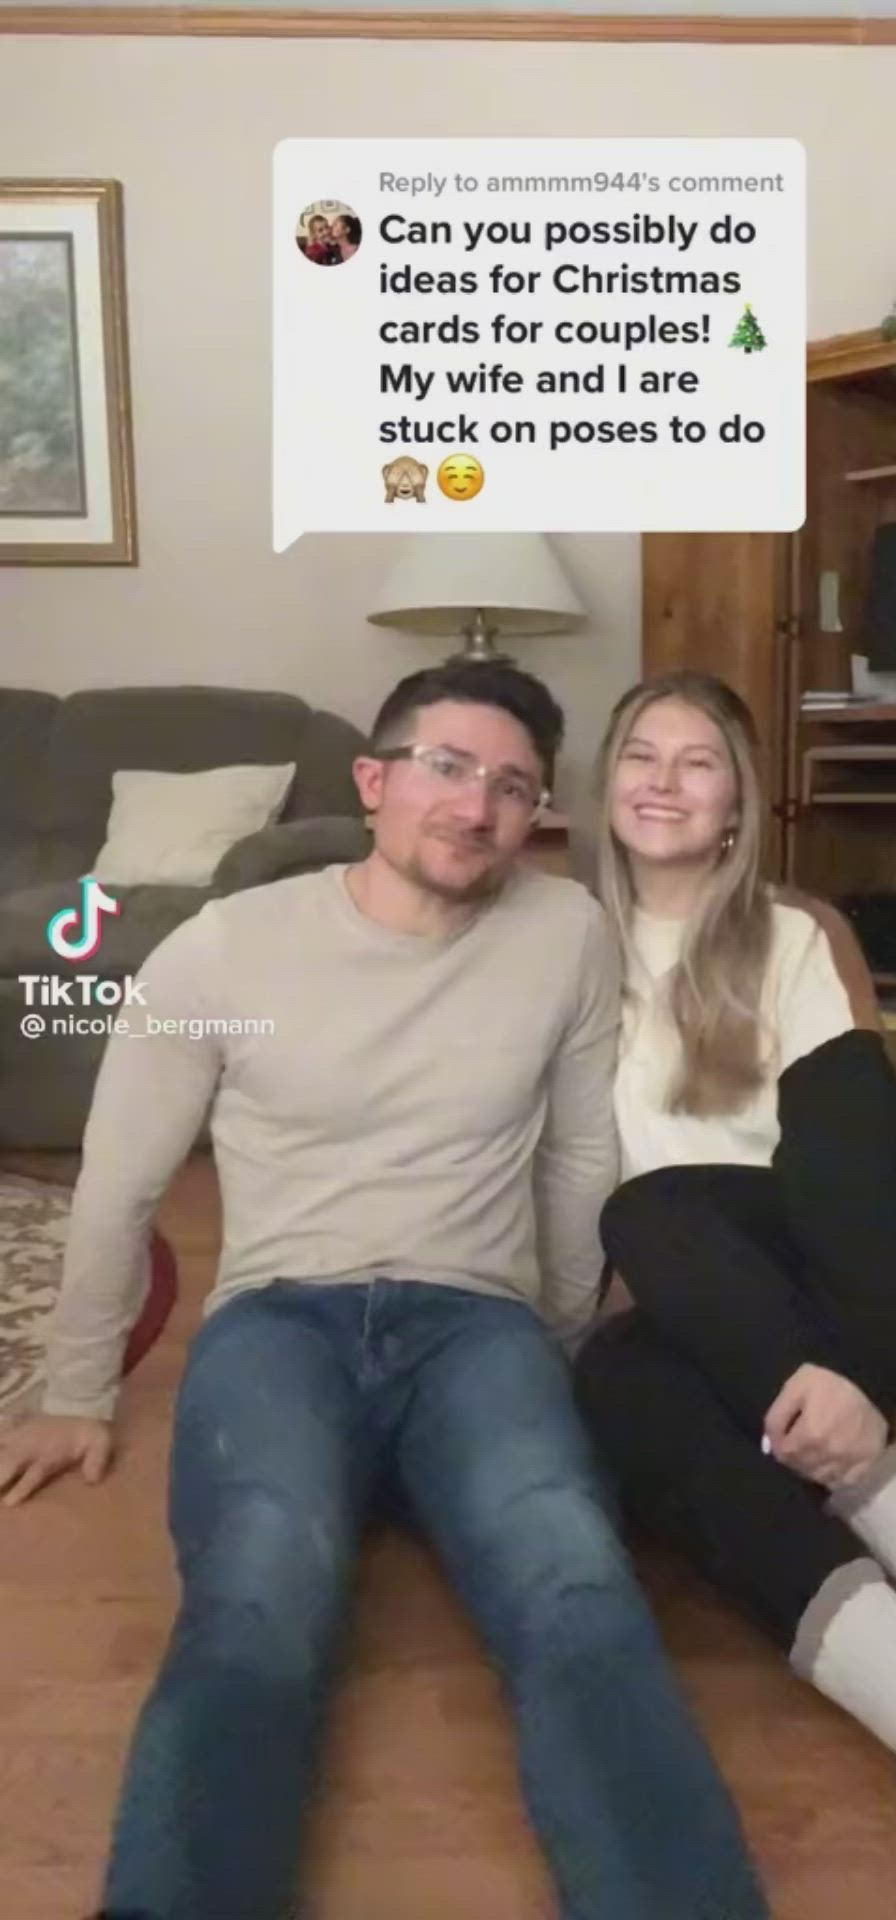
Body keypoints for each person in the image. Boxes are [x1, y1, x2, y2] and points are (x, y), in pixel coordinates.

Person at [0, 661, 769, 1920]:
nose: (478, 807)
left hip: (477, 1325)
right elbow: (118, 1181)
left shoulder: (566, 932)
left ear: (536, 817)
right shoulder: (224, 948)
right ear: (374, 781)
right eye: (449, 768)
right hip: (278, 1323)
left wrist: (560, 1336)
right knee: (257, 1597)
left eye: (514, 788)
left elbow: (581, 1154)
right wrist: (76, 1388)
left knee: (575, 1583)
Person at [574, 669, 896, 1920]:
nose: (666, 779)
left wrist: (848, 1367)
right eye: (643, 753)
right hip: (694, 1323)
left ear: (739, 804)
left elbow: (856, 1173)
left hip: (855, 1285)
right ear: (606, 785)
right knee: (628, 1370)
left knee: (661, 1208)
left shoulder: (790, 937)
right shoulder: (562, 950)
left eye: (701, 761)